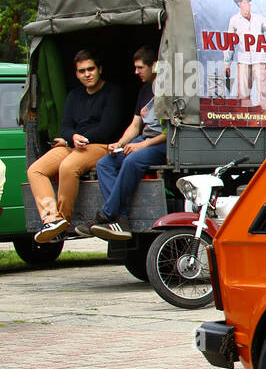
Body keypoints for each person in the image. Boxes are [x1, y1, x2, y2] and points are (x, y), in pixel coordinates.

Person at [28, 51, 128, 242]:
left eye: (91, 69)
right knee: (36, 170)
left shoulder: (113, 92)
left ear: (99, 69)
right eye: (82, 71)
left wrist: (82, 139)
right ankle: (52, 219)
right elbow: (65, 126)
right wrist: (73, 137)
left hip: (102, 145)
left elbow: (108, 127)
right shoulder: (74, 95)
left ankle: (63, 223)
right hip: (74, 144)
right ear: (76, 74)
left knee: (68, 166)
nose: (87, 74)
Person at [88, 47, 167, 241]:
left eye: (140, 67)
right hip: (145, 140)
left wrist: (142, 145)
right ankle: (121, 218)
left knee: (132, 161)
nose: (136, 72)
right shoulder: (144, 89)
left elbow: (170, 131)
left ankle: (106, 214)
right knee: (104, 163)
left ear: (154, 66)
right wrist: (120, 144)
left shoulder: (167, 90)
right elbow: (135, 125)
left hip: (162, 143)